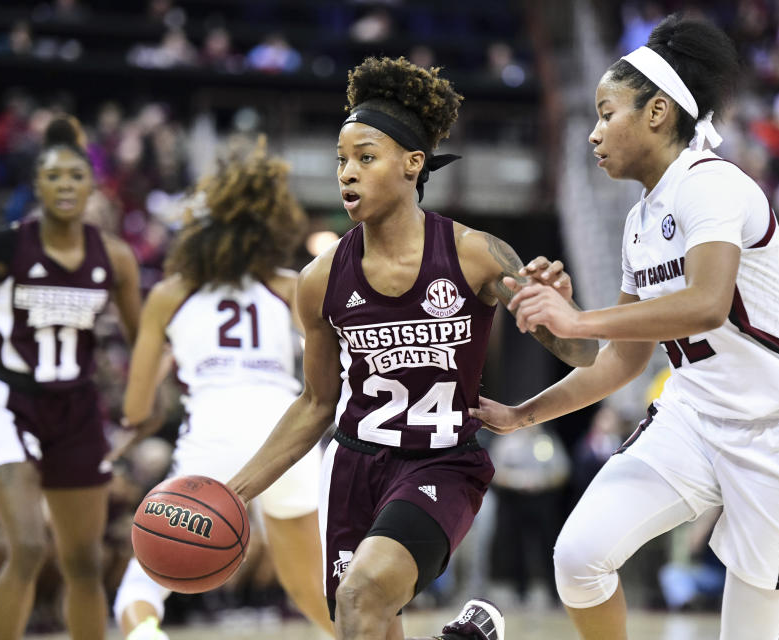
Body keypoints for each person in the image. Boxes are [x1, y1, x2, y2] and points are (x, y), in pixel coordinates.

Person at [472, 14, 779, 640]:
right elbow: (619, 362)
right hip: (693, 421)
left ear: (657, 113)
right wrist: (523, 412)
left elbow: (706, 303)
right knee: (578, 559)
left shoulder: (713, 184)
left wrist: (580, 315)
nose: (592, 133)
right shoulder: (639, 222)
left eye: (605, 112)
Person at [227, 56, 598, 640]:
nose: (347, 173)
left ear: (412, 164)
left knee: (360, 594)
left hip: (441, 462)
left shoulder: (476, 254)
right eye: (341, 161)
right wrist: (233, 491)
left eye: (365, 158)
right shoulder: (320, 280)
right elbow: (314, 404)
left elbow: (584, 356)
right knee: (362, 621)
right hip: (353, 465)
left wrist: (566, 317)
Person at [110, 137, 335, 639]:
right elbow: (338, 368)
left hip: (212, 432)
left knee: (141, 590)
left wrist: (175, 365)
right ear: (268, 227)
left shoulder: (169, 296)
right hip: (287, 435)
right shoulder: (288, 286)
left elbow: (136, 408)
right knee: (312, 591)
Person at [0, 115, 141, 639]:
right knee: (29, 547)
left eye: (76, 177)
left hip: (77, 409)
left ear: (92, 187)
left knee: (84, 562)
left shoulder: (114, 258)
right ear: (37, 185)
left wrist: (140, 410)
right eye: (53, 177)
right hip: (8, 402)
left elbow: (144, 339)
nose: (65, 186)